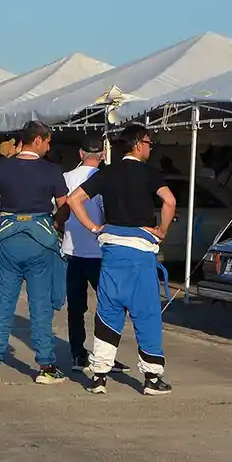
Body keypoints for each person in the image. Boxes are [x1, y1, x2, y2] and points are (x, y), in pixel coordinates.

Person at [67, 122, 177, 396]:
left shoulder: (107, 173)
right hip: (140, 251)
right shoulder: (149, 173)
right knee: (147, 314)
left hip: (112, 250)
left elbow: (73, 199)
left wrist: (93, 227)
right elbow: (170, 202)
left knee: (107, 312)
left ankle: (99, 376)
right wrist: (161, 231)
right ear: (138, 144)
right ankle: (152, 378)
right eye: (149, 143)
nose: (150, 148)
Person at [0, 121, 70, 386]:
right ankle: (46, 366)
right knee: (41, 307)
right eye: (48, 142)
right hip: (40, 241)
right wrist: (55, 225)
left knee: (2, 305)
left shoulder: (3, 169)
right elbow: (64, 208)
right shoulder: (51, 171)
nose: (49, 147)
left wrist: (5, 217)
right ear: (37, 140)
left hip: (8, 242)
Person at [63, 134, 128, 373]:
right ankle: (107, 355)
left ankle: (78, 354)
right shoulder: (107, 178)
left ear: (80, 154)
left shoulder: (66, 178)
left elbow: (59, 210)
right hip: (101, 252)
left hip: (72, 250)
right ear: (102, 154)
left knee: (76, 307)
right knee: (110, 306)